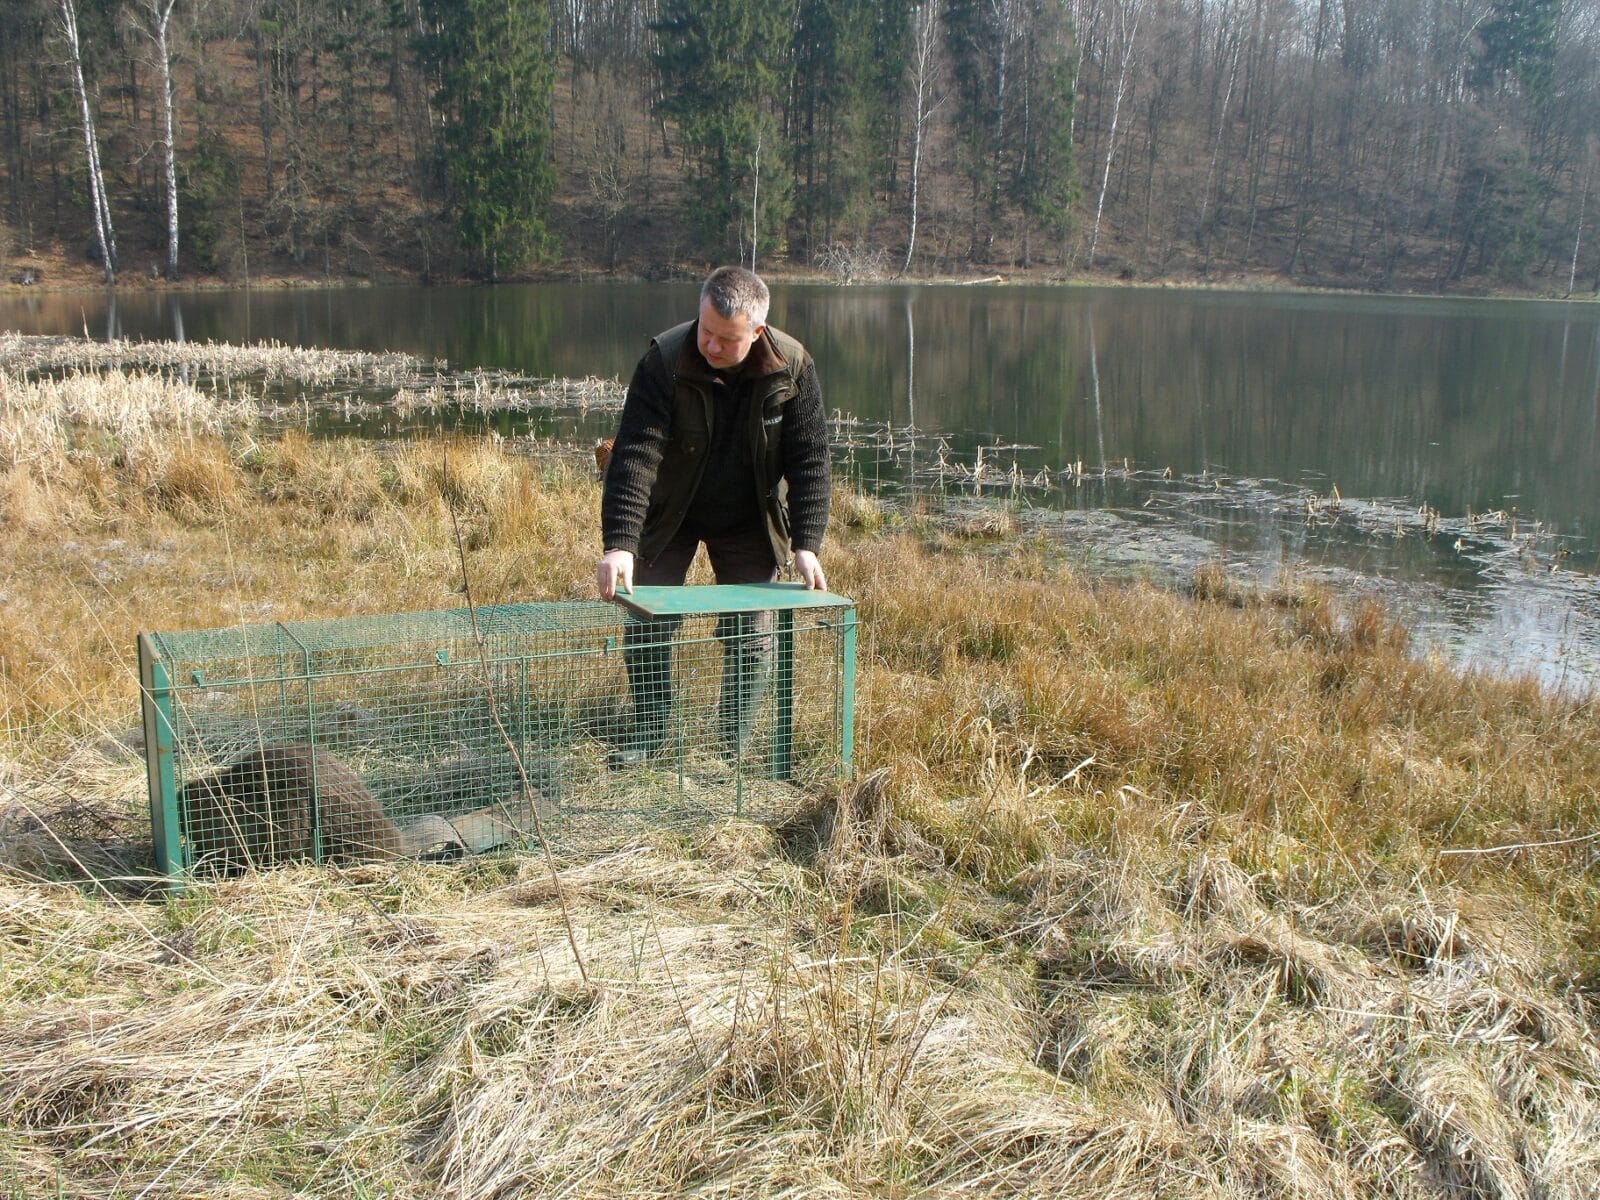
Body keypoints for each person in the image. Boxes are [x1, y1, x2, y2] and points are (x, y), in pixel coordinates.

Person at [596, 266, 831, 766]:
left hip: (748, 515)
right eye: (706, 331)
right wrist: (619, 543)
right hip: (670, 512)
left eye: (727, 339)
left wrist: (806, 543)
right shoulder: (665, 359)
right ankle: (650, 737)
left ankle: (732, 748)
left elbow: (809, 459)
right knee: (646, 622)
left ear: (759, 332)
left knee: (752, 634)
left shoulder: (793, 367)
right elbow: (636, 455)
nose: (712, 346)